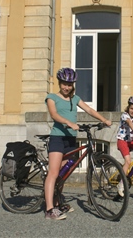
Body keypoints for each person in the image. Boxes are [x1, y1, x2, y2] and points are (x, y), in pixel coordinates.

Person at [44, 67, 112, 220]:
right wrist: (69, 122)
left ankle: (56, 202)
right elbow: (54, 115)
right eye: (64, 84)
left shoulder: (75, 98)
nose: (66, 87)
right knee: (54, 173)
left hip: (70, 139)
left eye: (69, 84)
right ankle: (49, 210)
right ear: (59, 83)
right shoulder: (52, 97)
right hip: (58, 138)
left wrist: (104, 120)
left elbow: (88, 110)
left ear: (73, 85)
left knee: (63, 174)